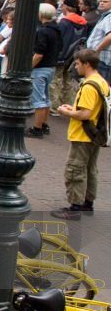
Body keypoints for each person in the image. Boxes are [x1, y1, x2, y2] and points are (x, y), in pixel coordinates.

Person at [51, 48, 109, 220]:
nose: (75, 67)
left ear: (87, 64)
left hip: (82, 134)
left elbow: (85, 114)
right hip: (94, 134)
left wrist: (65, 112)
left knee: (75, 170)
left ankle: (75, 206)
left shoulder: (89, 86)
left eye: (77, 64)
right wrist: (73, 108)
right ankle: (87, 202)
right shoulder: (101, 82)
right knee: (90, 169)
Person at [26, 4, 62, 138]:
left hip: (40, 68)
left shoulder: (42, 31)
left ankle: (37, 128)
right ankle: (44, 123)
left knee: (38, 99)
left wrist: (29, 66)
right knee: (45, 97)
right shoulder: (56, 30)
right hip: (51, 66)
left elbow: (39, 53)